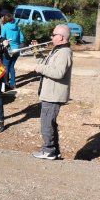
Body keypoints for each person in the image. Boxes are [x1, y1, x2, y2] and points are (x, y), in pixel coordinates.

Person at [32, 24, 73, 160]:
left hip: (54, 95)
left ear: (61, 37)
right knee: (50, 123)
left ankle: (48, 150)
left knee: (46, 123)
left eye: (53, 34)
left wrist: (39, 68)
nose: (51, 36)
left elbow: (59, 72)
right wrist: (36, 50)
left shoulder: (64, 52)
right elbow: (45, 64)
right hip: (50, 93)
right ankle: (54, 151)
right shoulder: (57, 50)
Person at [1, 12, 25, 90]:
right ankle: (13, 84)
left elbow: (2, 38)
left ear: (5, 19)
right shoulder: (17, 27)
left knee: (6, 67)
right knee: (12, 66)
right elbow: (22, 38)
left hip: (8, 49)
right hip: (17, 49)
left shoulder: (5, 27)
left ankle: (6, 84)